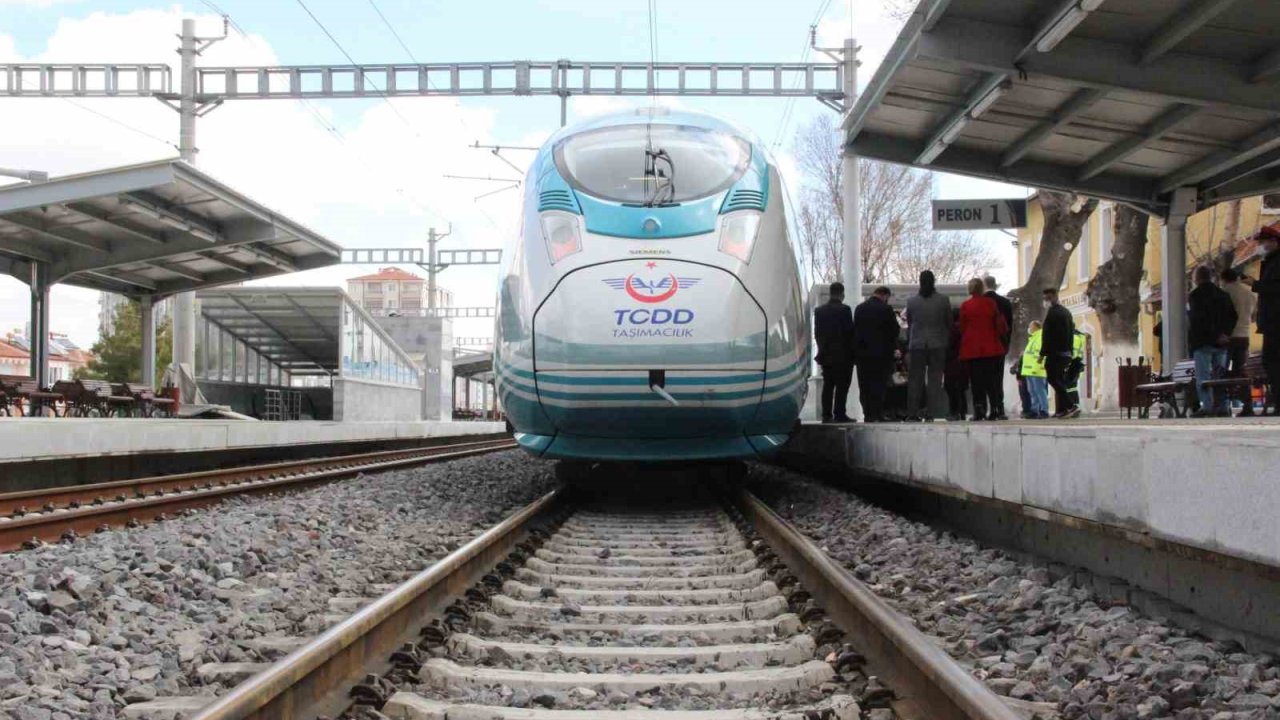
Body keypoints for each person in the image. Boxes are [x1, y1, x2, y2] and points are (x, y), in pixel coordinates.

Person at [1187, 265, 1237, 418]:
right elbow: (1233, 316)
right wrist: (1225, 334)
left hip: (1203, 342)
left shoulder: (1195, 295)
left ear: (1196, 278)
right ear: (1211, 277)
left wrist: (1213, 335)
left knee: (1203, 377)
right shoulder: (1223, 295)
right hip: (1221, 343)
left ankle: (1207, 407)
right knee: (1220, 376)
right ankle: (1222, 407)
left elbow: (1198, 320)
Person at [904, 270, 952, 421]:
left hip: (917, 344)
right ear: (933, 281)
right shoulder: (943, 300)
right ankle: (931, 412)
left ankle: (912, 413)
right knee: (934, 380)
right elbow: (949, 323)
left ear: (920, 281)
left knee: (915, 380)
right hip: (937, 344)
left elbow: (910, 322)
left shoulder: (911, 301)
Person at [958, 278, 1008, 420]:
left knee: (976, 381)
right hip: (991, 347)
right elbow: (999, 324)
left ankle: (979, 409)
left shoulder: (966, 305)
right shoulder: (990, 303)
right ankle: (995, 409)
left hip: (972, 348)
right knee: (991, 381)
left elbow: (962, 327)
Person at [852, 286, 901, 422]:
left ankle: (867, 414)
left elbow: (855, 331)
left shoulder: (860, 308)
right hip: (881, 355)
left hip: (863, 355)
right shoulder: (886, 309)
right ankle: (878, 413)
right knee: (879, 384)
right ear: (885, 296)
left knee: (865, 385)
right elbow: (894, 330)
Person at [1246, 226, 1280, 415]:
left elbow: (1275, 288)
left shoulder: (1276, 262)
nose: (1260, 245)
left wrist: (1255, 284)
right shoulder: (1270, 262)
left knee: (1272, 360)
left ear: (1274, 242)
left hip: (1276, 321)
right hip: (1271, 321)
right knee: (1270, 361)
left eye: (1262, 242)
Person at [814, 281, 855, 423]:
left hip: (826, 356)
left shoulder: (819, 311)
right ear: (842, 294)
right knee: (842, 386)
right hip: (843, 356)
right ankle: (839, 413)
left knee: (828, 385)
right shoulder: (845, 310)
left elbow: (818, 334)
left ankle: (826, 415)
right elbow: (849, 333)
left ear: (830, 293)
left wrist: (822, 350)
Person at [1221, 267, 1257, 415]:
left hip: (1228, 337)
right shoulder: (1250, 292)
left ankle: (1223, 406)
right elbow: (1254, 317)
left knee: (1222, 371)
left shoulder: (1225, 292)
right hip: (1244, 336)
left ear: (1223, 279)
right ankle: (1247, 405)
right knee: (1242, 372)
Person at [1041, 288, 1078, 418]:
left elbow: (1047, 335)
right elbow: (1071, 332)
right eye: (1045, 298)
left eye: (1047, 298)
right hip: (1066, 352)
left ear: (1054, 297)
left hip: (1055, 352)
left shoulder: (1052, 313)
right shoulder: (1066, 312)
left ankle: (1070, 405)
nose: (1046, 301)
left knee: (1053, 379)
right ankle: (1061, 410)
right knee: (1059, 380)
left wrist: (1043, 353)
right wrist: (1070, 351)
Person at [983, 276, 1013, 420]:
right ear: (995, 285)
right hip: (1000, 345)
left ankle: (990, 408)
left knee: (986, 378)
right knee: (998, 378)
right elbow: (1010, 326)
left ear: (984, 285)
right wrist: (1006, 345)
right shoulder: (1005, 302)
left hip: (984, 347)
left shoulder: (982, 302)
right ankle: (1000, 408)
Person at [1021, 321, 1049, 419]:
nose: (1029, 328)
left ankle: (1044, 410)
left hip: (1037, 370)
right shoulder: (1033, 338)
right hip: (1030, 370)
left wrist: (1037, 366)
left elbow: (1041, 354)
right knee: (1032, 391)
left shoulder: (1040, 337)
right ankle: (1034, 410)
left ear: (1036, 327)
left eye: (1030, 326)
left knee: (1040, 391)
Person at [945, 308, 968, 421]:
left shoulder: (951, 330)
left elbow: (949, 347)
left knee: (951, 388)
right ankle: (962, 411)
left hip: (952, 364)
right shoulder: (966, 329)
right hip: (964, 363)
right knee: (961, 389)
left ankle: (954, 411)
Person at [1066, 329, 1087, 411]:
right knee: (1071, 387)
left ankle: (1073, 405)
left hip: (1071, 365)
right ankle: (1074, 405)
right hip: (1075, 365)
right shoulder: (1078, 338)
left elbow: (1072, 354)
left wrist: (1065, 363)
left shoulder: (1074, 338)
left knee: (1069, 386)